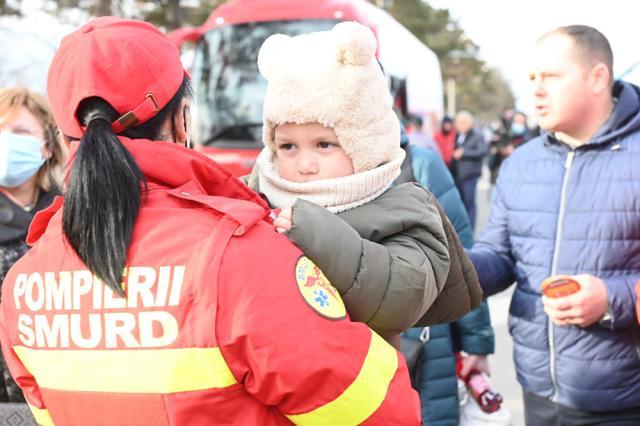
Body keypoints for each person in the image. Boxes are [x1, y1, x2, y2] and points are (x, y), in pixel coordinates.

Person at [0, 17, 421, 425]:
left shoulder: (23, 283)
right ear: (182, 119)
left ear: (65, 134)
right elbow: (379, 411)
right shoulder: (239, 256)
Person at [246, 21, 482, 346]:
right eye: (288, 146)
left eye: (324, 145)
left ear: (363, 143)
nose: (304, 165)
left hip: (361, 388)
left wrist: (318, 232)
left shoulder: (405, 208)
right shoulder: (249, 197)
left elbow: (403, 294)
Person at [468, 25, 640, 424]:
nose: (536, 91)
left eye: (551, 77)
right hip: (539, 392)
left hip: (625, 400)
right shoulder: (520, 163)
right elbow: (499, 255)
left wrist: (615, 300)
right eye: (531, 78)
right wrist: (448, 268)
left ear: (598, 77)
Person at [399, 131, 494, 425]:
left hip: (424, 347)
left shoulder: (417, 163)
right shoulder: (290, 169)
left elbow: (459, 258)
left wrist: (476, 344)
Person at [0, 87, 66, 402]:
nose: (6, 143)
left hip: (62, 389)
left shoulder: (73, 214)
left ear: (47, 147)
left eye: (20, 132)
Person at [452, 111, 487, 229]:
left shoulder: (477, 135)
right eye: (460, 123)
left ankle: (471, 228)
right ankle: (462, 227)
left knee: (469, 202)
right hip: (458, 174)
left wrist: (464, 153)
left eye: (465, 123)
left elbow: (482, 151)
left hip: (470, 175)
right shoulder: (457, 136)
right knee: (460, 203)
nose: (462, 125)